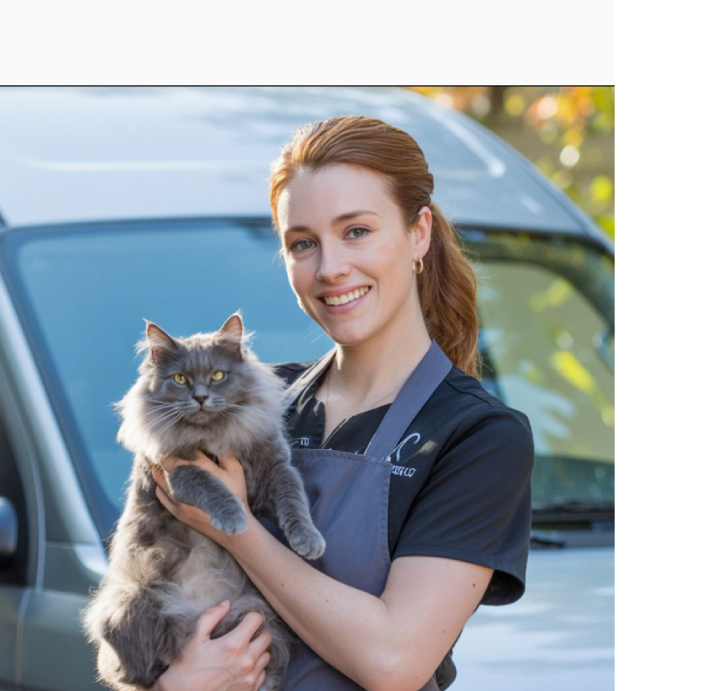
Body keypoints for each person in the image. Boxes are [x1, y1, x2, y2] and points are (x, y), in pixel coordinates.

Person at [153, 116, 534, 691]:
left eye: (356, 231)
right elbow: (148, 585)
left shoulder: (476, 436)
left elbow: (394, 660)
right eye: (302, 243)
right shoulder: (254, 400)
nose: (329, 269)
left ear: (418, 234)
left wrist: (239, 532)